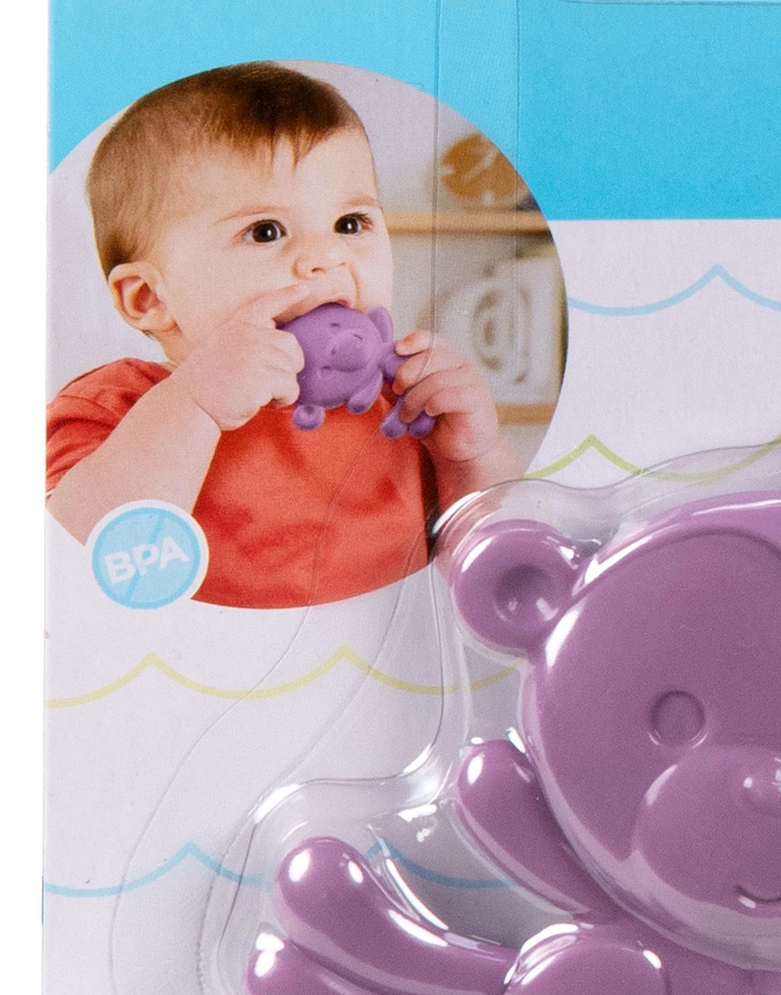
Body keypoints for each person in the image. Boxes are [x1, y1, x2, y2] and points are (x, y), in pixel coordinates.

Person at [47, 62, 518, 608]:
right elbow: (73, 569)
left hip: (389, 660)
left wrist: (472, 456)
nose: (326, 256)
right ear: (149, 297)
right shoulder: (113, 406)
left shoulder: (406, 405)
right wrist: (194, 405)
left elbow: (504, 575)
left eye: (350, 223)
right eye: (265, 232)